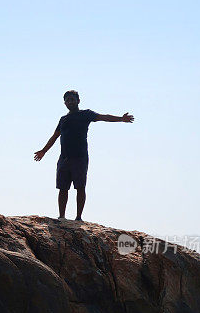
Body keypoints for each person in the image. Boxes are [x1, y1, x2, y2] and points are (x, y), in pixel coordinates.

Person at [34, 90, 134, 221]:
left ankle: (78, 217)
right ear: (64, 103)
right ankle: (61, 217)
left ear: (78, 101)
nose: (70, 102)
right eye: (68, 100)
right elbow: (54, 136)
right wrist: (43, 151)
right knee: (62, 188)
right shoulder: (63, 119)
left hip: (80, 157)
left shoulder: (85, 114)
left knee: (80, 187)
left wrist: (121, 119)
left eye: (73, 99)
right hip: (64, 158)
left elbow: (104, 117)